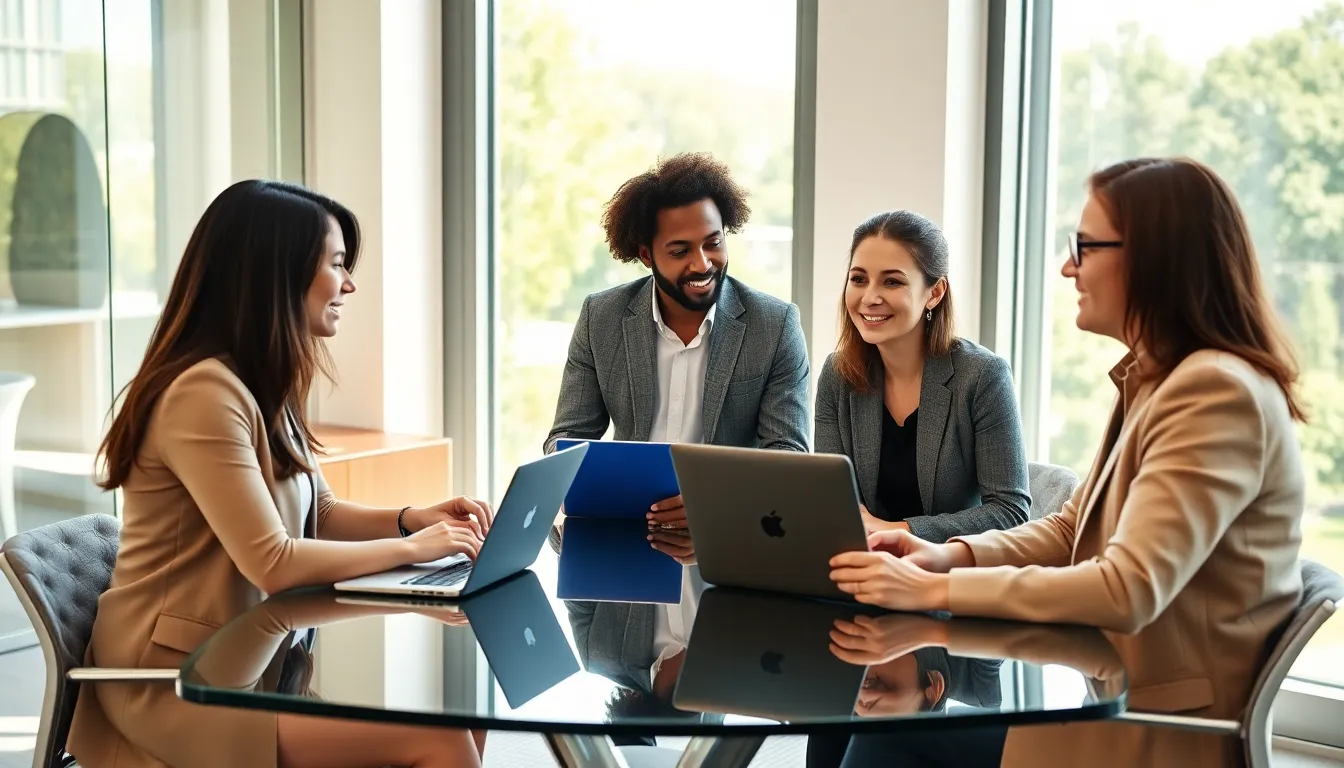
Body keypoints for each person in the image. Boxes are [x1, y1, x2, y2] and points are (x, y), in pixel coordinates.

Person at [829, 157, 1307, 767]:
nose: (1066, 266)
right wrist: (944, 553)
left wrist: (935, 588)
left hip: (1156, 729)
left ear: (1153, 258)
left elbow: (1126, 588)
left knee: (884, 744)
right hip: (1113, 691)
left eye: (1084, 247)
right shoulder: (1154, 379)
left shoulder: (1213, 391)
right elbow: (1070, 529)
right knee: (872, 734)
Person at [67, 180, 492, 768]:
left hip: (250, 656)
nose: (349, 284)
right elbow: (272, 562)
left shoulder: (258, 383)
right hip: (173, 679)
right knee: (438, 738)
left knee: (460, 718)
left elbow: (318, 512)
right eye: (338, 264)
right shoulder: (203, 394)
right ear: (277, 272)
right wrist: (413, 549)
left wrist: (408, 520)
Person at [545, 152, 811, 696]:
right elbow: (566, 437)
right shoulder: (602, 317)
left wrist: (715, 511)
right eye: (680, 250)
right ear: (645, 254)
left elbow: (789, 458)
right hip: (621, 559)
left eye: (713, 242)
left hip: (735, 574)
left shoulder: (773, 325)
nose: (703, 262)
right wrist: (573, 489)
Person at [814, 210, 1030, 542]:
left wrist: (901, 531)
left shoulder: (983, 377)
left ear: (935, 292)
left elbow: (1010, 512)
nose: (870, 297)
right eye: (858, 279)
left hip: (950, 576)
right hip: (865, 566)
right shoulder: (838, 374)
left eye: (892, 281)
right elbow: (833, 499)